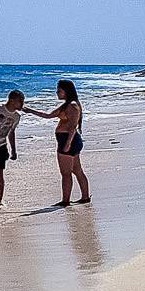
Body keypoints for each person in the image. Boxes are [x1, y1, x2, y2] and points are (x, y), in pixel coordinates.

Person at [50, 78, 91, 207]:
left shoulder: (72, 105)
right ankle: (84, 197)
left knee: (66, 173)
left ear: (66, 91)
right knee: (77, 170)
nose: (57, 93)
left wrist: (67, 143)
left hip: (69, 140)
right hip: (69, 140)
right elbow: (48, 115)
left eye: (59, 90)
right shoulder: (68, 104)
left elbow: (73, 126)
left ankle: (66, 200)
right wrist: (28, 110)